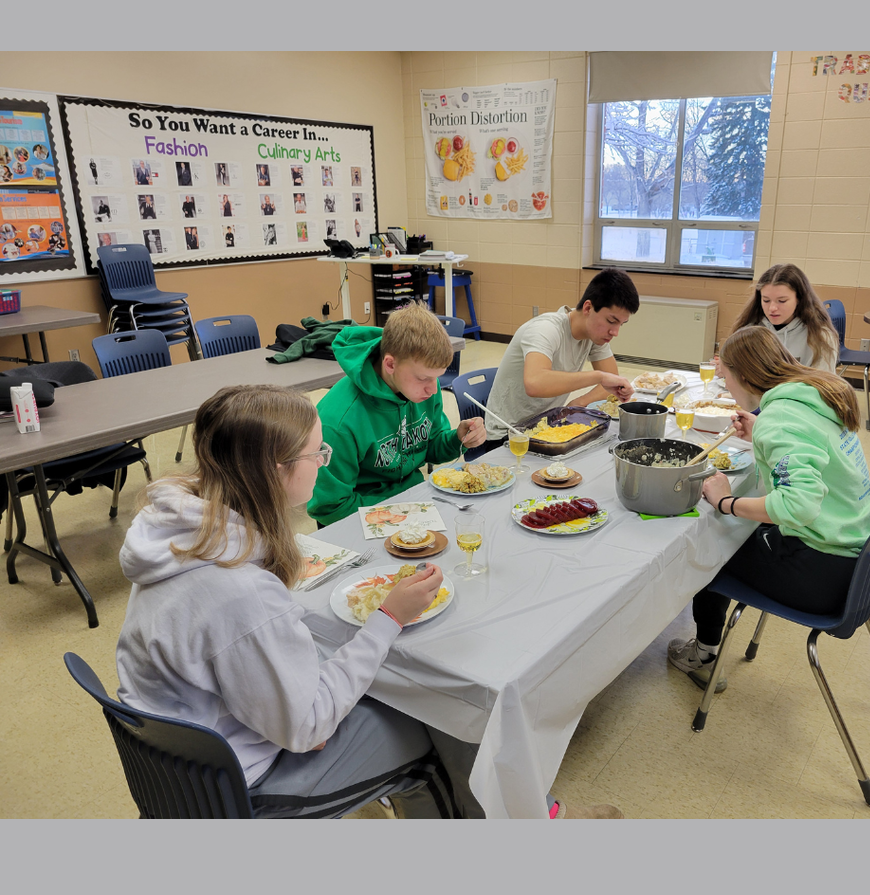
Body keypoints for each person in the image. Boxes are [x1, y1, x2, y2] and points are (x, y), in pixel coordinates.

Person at [116, 384, 480, 818]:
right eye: (317, 453)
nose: (324, 460)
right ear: (277, 469)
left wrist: (300, 710)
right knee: (434, 723)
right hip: (236, 784)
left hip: (178, 765)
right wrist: (389, 618)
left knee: (359, 685)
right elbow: (309, 729)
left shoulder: (177, 539)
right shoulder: (240, 591)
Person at [667, 326, 870, 692]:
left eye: (726, 378)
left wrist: (725, 501)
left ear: (745, 376)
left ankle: (704, 655)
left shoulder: (781, 419)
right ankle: (707, 645)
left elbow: (798, 506)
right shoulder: (814, 393)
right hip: (856, 559)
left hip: (823, 573)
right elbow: (811, 450)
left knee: (708, 546)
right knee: (735, 531)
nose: (727, 386)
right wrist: (762, 429)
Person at [308, 302, 488, 525]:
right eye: (423, 378)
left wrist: (457, 439)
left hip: (412, 503)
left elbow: (430, 447)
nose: (433, 389)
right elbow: (330, 507)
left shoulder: (423, 390)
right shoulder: (339, 421)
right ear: (390, 364)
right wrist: (402, 511)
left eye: (437, 377)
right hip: (359, 518)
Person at [479, 268, 639, 451]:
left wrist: (578, 403)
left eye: (621, 324)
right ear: (588, 308)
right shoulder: (545, 329)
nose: (615, 332)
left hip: (547, 428)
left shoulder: (595, 336)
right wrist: (599, 377)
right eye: (611, 321)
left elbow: (612, 382)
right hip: (507, 436)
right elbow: (535, 383)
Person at [729, 263, 839, 372]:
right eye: (766, 300)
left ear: (799, 299)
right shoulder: (749, 330)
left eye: (782, 301)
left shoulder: (821, 337)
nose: (772, 308)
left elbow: (822, 381)